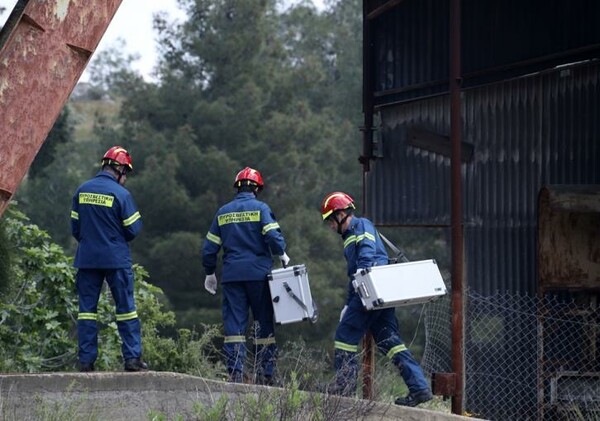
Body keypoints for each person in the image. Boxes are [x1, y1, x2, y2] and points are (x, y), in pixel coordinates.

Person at [319, 191, 433, 407]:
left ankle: (344, 387)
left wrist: (360, 279)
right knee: (389, 340)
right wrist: (347, 302)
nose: (330, 226)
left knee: (344, 335)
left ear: (340, 214)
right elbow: (353, 274)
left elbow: (366, 256)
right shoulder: (349, 236)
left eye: (330, 221)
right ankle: (419, 388)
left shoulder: (360, 226)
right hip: (377, 291)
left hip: (370, 289)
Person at [202, 167, 289, 385]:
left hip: (232, 277)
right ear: (257, 189)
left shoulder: (223, 212)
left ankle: (235, 373)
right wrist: (282, 253)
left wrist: (210, 272)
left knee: (234, 327)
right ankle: (266, 373)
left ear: (237, 188)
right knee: (263, 324)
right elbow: (272, 235)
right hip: (259, 276)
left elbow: (209, 247)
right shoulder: (261, 209)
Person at [70, 146, 147, 372]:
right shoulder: (121, 195)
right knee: (126, 309)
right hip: (116, 259)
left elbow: (75, 228)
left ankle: (86, 362)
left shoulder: (81, 191)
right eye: (126, 173)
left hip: (87, 259)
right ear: (120, 169)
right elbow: (133, 229)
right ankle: (132, 360)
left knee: (86, 310)